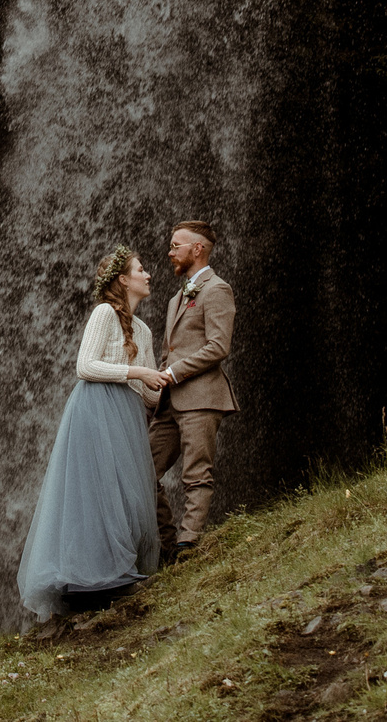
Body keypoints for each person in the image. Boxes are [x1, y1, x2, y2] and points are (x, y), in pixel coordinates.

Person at [17, 245, 174, 616]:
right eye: (141, 269)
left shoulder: (144, 331)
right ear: (123, 280)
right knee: (97, 490)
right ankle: (87, 579)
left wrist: (170, 377)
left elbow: (149, 394)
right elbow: (85, 366)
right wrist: (139, 372)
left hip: (128, 414)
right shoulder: (104, 312)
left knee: (126, 495)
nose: (149, 274)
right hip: (95, 408)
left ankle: (118, 570)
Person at [150, 220, 236, 560]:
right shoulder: (176, 298)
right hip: (170, 400)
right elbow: (169, 351)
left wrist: (172, 373)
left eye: (176, 246)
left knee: (196, 472)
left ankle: (189, 544)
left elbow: (218, 347)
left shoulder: (218, 290)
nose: (170, 252)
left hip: (202, 397)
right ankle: (168, 542)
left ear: (196, 249)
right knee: (142, 469)